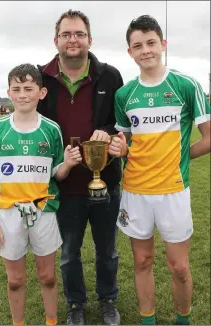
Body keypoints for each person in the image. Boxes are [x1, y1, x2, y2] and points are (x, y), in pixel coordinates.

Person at [108, 15, 210, 325]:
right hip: (136, 192)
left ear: (162, 44)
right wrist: (121, 148)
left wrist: (179, 158)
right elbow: (123, 140)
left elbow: (208, 139)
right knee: (142, 260)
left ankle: (183, 320)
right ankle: (148, 321)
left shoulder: (185, 85)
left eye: (151, 42)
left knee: (179, 266)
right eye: (137, 45)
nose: (145, 50)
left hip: (173, 192)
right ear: (130, 52)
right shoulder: (124, 95)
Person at [37, 9, 123, 325]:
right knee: (69, 253)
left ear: (90, 39)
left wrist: (111, 132)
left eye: (79, 34)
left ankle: (108, 301)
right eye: (67, 34)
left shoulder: (110, 75)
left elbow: (121, 123)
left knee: (108, 252)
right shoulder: (41, 77)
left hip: (106, 182)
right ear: (56, 39)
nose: (73, 40)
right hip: (64, 185)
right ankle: (75, 305)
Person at [0, 63, 82, 326]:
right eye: (16, 89)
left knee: (47, 277)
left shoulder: (51, 130)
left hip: (44, 212)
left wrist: (68, 164)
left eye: (29, 88)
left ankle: (51, 321)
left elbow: (57, 174)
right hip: (8, 213)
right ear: (8, 92)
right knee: (15, 280)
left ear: (41, 93)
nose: (22, 94)